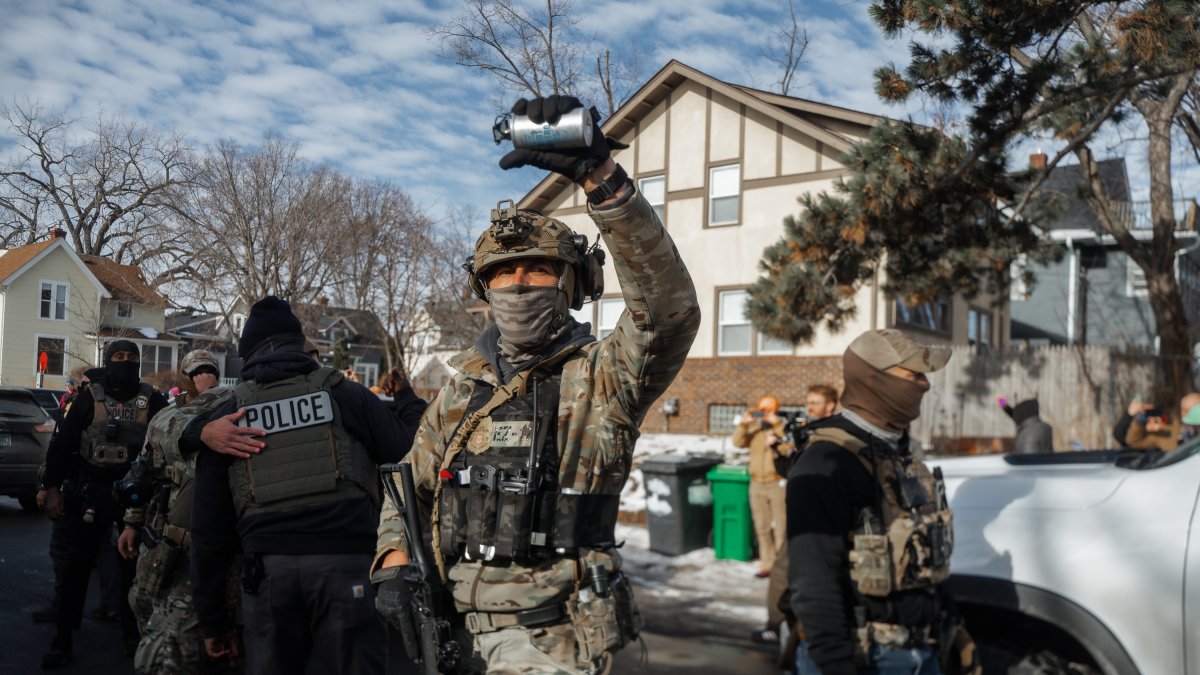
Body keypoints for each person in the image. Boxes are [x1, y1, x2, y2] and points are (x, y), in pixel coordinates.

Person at [372, 94, 700, 674]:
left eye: (537, 269)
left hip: (554, 643)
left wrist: (602, 181)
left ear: (571, 285)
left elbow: (666, 310)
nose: (518, 284)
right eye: (502, 273)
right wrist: (395, 561)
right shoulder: (460, 391)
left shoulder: (604, 378)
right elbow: (410, 489)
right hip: (453, 636)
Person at [184, 296, 423, 675]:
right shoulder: (346, 395)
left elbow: (208, 529)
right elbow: (410, 456)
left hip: (268, 575)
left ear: (248, 355)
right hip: (347, 567)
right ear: (298, 344)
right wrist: (406, 398)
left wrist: (213, 619)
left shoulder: (227, 419)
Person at [788, 329, 978, 675]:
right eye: (914, 375)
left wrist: (954, 626)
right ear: (875, 379)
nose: (924, 384)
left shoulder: (899, 455)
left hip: (924, 653)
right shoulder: (825, 462)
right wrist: (836, 664)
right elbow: (814, 581)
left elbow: (921, 558)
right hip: (864, 658)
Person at [37, 341, 168, 668]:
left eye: (132, 358)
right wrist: (51, 488)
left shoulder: (151, 399)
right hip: (89, 493)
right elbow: (63, 444)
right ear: (108, 361)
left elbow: (171, 440)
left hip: (134, 498)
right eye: (119, 357)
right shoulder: (89, 397)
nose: (126, 363)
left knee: (132, 571)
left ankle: (132, 637)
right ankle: (63, 640)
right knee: (76, 569)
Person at [116, 349, 243, 674]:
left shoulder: (235, 407)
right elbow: (143, 474)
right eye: (196, 372)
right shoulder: (168, 420)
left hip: (217, 547)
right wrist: (132, 522)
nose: (203, 377)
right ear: (186, 379)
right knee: (148, 608)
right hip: (169, 539)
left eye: (208, 370)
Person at [756, 384, 839, 648]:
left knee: (788, 574)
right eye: (808, 402)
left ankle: (793, 630)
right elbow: (789, 470)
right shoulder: (809, 435)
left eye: (816, 402)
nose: (810, 407)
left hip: (820, 521)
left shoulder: (832, 436)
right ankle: (778, 626)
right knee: (783, 573)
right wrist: (776, 448)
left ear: (832, 405)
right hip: (805, 517)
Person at [735, 396, 788, 578]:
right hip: (756, 483)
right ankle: (767, 563)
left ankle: (782, 565)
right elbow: (738, 442)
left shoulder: (781, 430)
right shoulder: (755, 430)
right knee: (762, 526)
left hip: (777, 483)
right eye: (762, 411)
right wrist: (744, 425)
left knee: (781, 526)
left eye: (769, 411)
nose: (765, 415)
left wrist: (778, 427)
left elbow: (789, 447)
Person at [1113, 392, 1200, 452]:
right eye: (1185, 410)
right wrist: (1137, 421)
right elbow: (1130, 440)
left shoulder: (1171, 423)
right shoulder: (1168, 433)